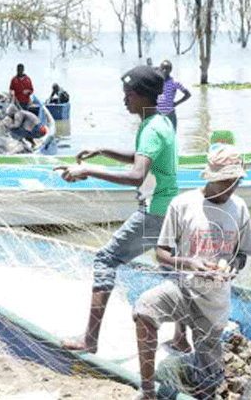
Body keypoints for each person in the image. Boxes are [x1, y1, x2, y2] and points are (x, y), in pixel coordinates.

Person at [56, 65, 177, 353]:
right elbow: (141, 157)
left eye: (129, 94)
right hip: (171, 208)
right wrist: (102, 151)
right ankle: (182, 338)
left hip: (156, 212)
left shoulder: (150, 129)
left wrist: (87, 169)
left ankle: (90, 340)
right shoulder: (160, 122)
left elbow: (137, 175)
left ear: (145, 96)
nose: (125, 99)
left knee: (105, 259)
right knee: (171, 271)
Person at [133, 145, 251, 400]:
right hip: (183, 291)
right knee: (145, 309)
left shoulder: (240, 208)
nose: (232, 189)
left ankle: (202, 373)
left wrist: (234, 265)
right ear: (210, 178)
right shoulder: (183, 204)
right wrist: (190, 263)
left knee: (209, 382)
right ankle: (146, 391)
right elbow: (162, 253)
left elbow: (242, 254)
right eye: (226, 182)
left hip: (215, 301)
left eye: (236, 183)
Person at [157, 60, 190, 131]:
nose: (164, 70)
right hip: (158, 115)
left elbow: (188, 94)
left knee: (171, 137)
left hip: (170, 114)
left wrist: (176, 103)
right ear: (159, 69)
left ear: (170, 70)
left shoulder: (174, 82)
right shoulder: (156, 81)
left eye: (167, 69)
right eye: (162, 68)